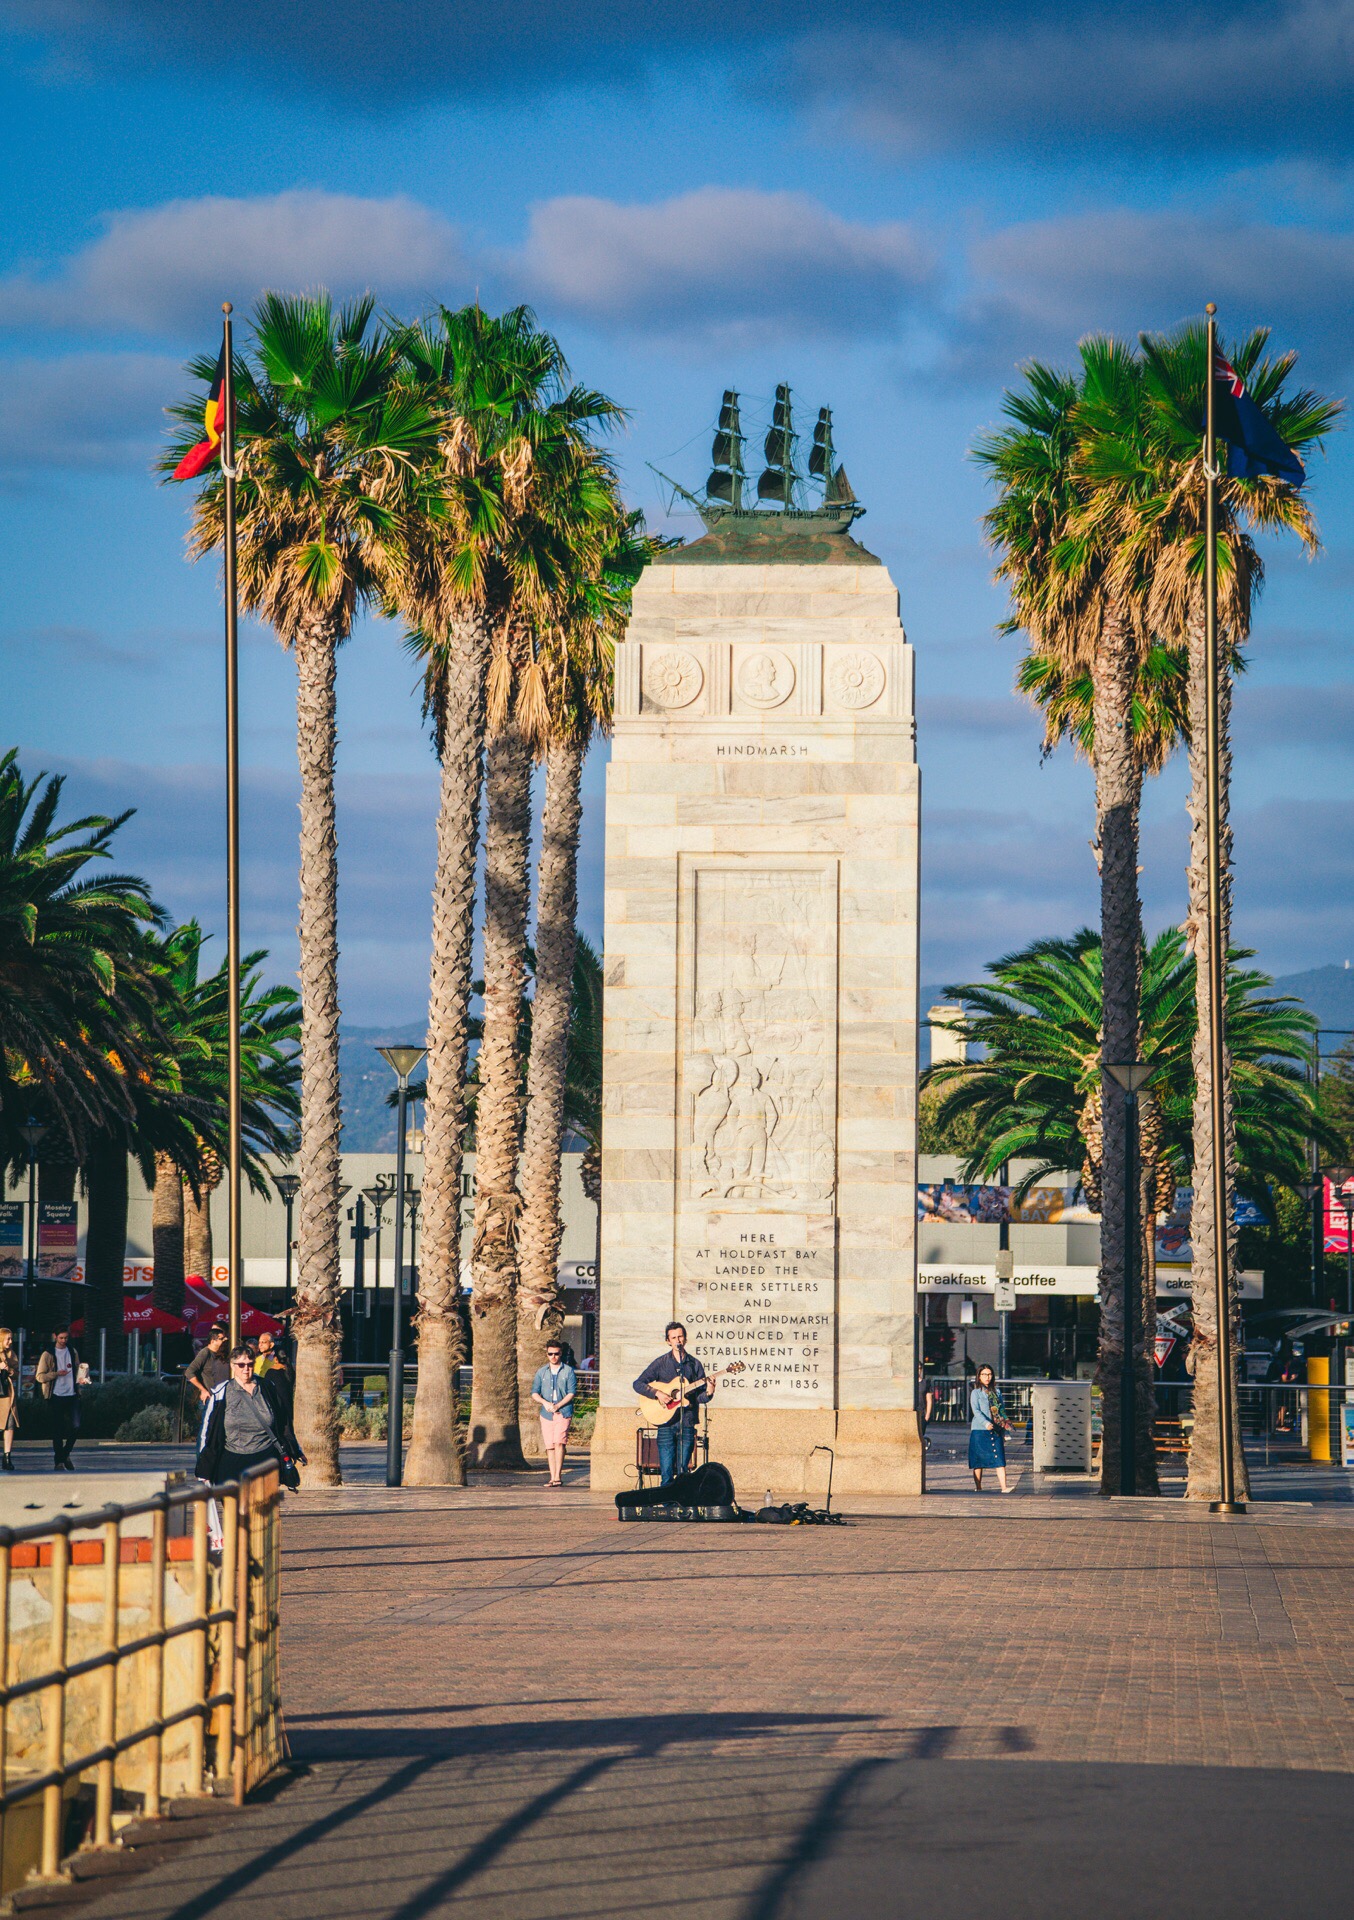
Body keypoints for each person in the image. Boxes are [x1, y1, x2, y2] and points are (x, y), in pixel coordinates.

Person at [196, 1343, 301, 1487]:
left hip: (265, 1458)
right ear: (232, 1366)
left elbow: (283, 1421)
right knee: (233, 1508)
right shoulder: (222, 1392)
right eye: (241, 1365)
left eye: (250, 1364)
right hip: (232, 1459)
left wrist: (295, 1449)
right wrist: (204, 1467)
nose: (246, 1369)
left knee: (262, 1508)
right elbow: (208, 1430)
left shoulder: (267, 1387)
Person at [633, 1322, 715, 1485]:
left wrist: (710, 1391)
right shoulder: (661, 1363)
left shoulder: (694, 1364)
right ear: (668, 1341)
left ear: (685, 1339)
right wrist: (658, 1394)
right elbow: (638, 1383)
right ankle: (667, 1507)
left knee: (684, 1469)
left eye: (680, 1336)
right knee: (666, 1471)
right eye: (674, 1337)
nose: (678, 1340)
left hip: (687, 1421)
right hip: (666, 1423)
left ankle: (682, 1506)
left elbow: (699, 1397)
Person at [530, 1339, 578, 1489]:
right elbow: (534, 1393)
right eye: (550, 1354)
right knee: (550, 1445)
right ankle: (552, 1477)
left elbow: (571, 1392)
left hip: (563, 1411)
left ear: (561, 1353)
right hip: (546, 1413)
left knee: (559, 1442)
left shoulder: (568, 1371)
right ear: (547, 1354)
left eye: (556, 1354)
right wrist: (545, 1403)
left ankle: (558, 1476)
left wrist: (558, 1405)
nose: (553, 1357)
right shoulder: (541, 1372)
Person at [36, 1328, 81, 1472]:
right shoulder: (48, 1354)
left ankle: (65, 1454)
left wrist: (82, 1379)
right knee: (58, 1430)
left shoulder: (72, 1351)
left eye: (66, 1338)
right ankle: (59, 1461)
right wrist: (55, 1374)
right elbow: (40, 1376)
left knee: (76, 1426)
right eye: (61, 1338)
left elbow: (78, 1369)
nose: (63, 1341)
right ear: (55, 1336)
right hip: (56, 1395)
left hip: (72, 1394)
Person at [969, 1363, 1010, 1493]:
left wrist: (1005, 1429)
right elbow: (976, 1411)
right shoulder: (976, 1393)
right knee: (978, 1461)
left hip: (996, 1428)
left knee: (999, 1458)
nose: (987, 1377)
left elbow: (1001, 1411)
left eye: (989, 1374)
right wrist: (986, 1423)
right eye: (984, 1374)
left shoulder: (997, 1392)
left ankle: (1004, 1487)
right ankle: (978, 1487)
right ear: (979, 1376)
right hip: (980, 1430)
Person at [185, 1324, 230, 1404]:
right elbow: (189, 1372)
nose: (224, 1341)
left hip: (219, 1396)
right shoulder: (205, 1353)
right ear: (213, 1341)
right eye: (221, 1339)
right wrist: (203, 1390)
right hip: (209, 1397)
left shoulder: (220, 1353)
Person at [0, 1328, 19, 1471]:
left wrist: (10, 1371)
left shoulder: (11, 1354)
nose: (10, 1341)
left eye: (11, 1338)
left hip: (7, 1394)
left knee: (9, 1424)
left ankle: (7, 1456)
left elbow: (16, 1372)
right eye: (8, 1339)